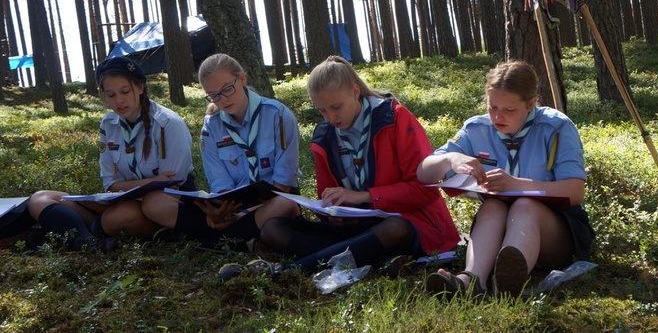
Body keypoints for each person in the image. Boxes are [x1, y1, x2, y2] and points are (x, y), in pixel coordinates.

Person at [220, 55, 460, 282]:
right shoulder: (324, 136)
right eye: (322, 110)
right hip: (358, 228)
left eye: (336, 107)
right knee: (273, 228)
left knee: (395, 228)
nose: (331, 117)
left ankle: (287, 271)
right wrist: (332, 213)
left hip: (411, 224)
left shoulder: (395, 119)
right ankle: (371, 257)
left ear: (355, 92)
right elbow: (328, 198)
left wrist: (364, 197)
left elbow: (424, 190)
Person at [418, 60, 594, 298]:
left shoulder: (556, 127)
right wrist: (450, 159)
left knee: (524, 205)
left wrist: (516, 184)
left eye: (509, 110)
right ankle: (472, 280)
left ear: (531, 103)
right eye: (492, 107)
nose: (498, 117)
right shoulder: (476, 129)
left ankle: (506, 283)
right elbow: (423, 172)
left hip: (556, 234)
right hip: (500, 227)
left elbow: (575, 192)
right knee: (492, 205)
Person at [26, 57, 194, 251]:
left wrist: (129, 189)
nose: (119, 101)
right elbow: (110, 183)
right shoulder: (108, 124)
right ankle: (88, 240)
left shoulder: (167, 123)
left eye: (125, 91)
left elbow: (171, 184)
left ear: (140, 88)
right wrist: (146, 183)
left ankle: (68, 236)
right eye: (111, 94)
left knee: (120, 216)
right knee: (40, 198)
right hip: (119, 203)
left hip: (159, 208)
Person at [142, 53, 301, 249]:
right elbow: (222, 187)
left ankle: (212, 240)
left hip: (270, 202)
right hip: (233, 208)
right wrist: (222, 213)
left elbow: (283, 187)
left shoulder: (278, 115)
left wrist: (243, 214)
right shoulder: (211, 128)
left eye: (227, 89)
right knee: (153, 202)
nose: (223, 99)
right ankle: (239, 235)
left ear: (242, 79)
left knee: (285, 205)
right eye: (214, 95)